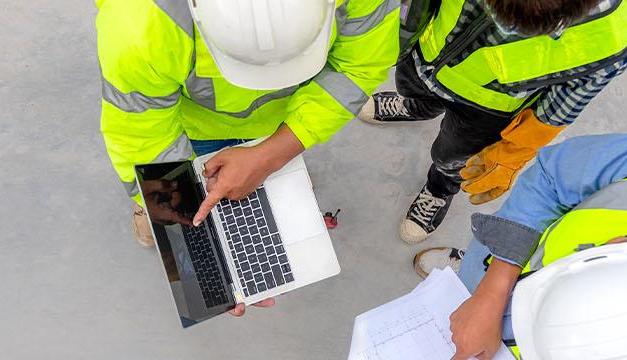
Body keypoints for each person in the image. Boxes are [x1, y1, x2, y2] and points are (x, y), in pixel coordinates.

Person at [98, 0, 402, 317]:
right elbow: (144, 138)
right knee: (172, 204)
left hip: (281, 126)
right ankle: (157, 210)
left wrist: (273, 154)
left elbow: (359, 66)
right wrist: (192, 244)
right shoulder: (140, 19)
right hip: (194, 129)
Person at [413, 133, 627, 359]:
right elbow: (551, 179)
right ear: (618, 244)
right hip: (503, 267)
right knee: (476, 277)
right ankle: (464, 280)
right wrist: (491, 291)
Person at [362, 0, 627, 244]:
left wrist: (515, 150)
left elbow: (566, 102)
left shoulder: (614, 32)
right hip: (425, 54)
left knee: (452, 158)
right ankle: (420, 106)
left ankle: (439, 188)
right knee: (411, 86)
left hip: (488, 108)